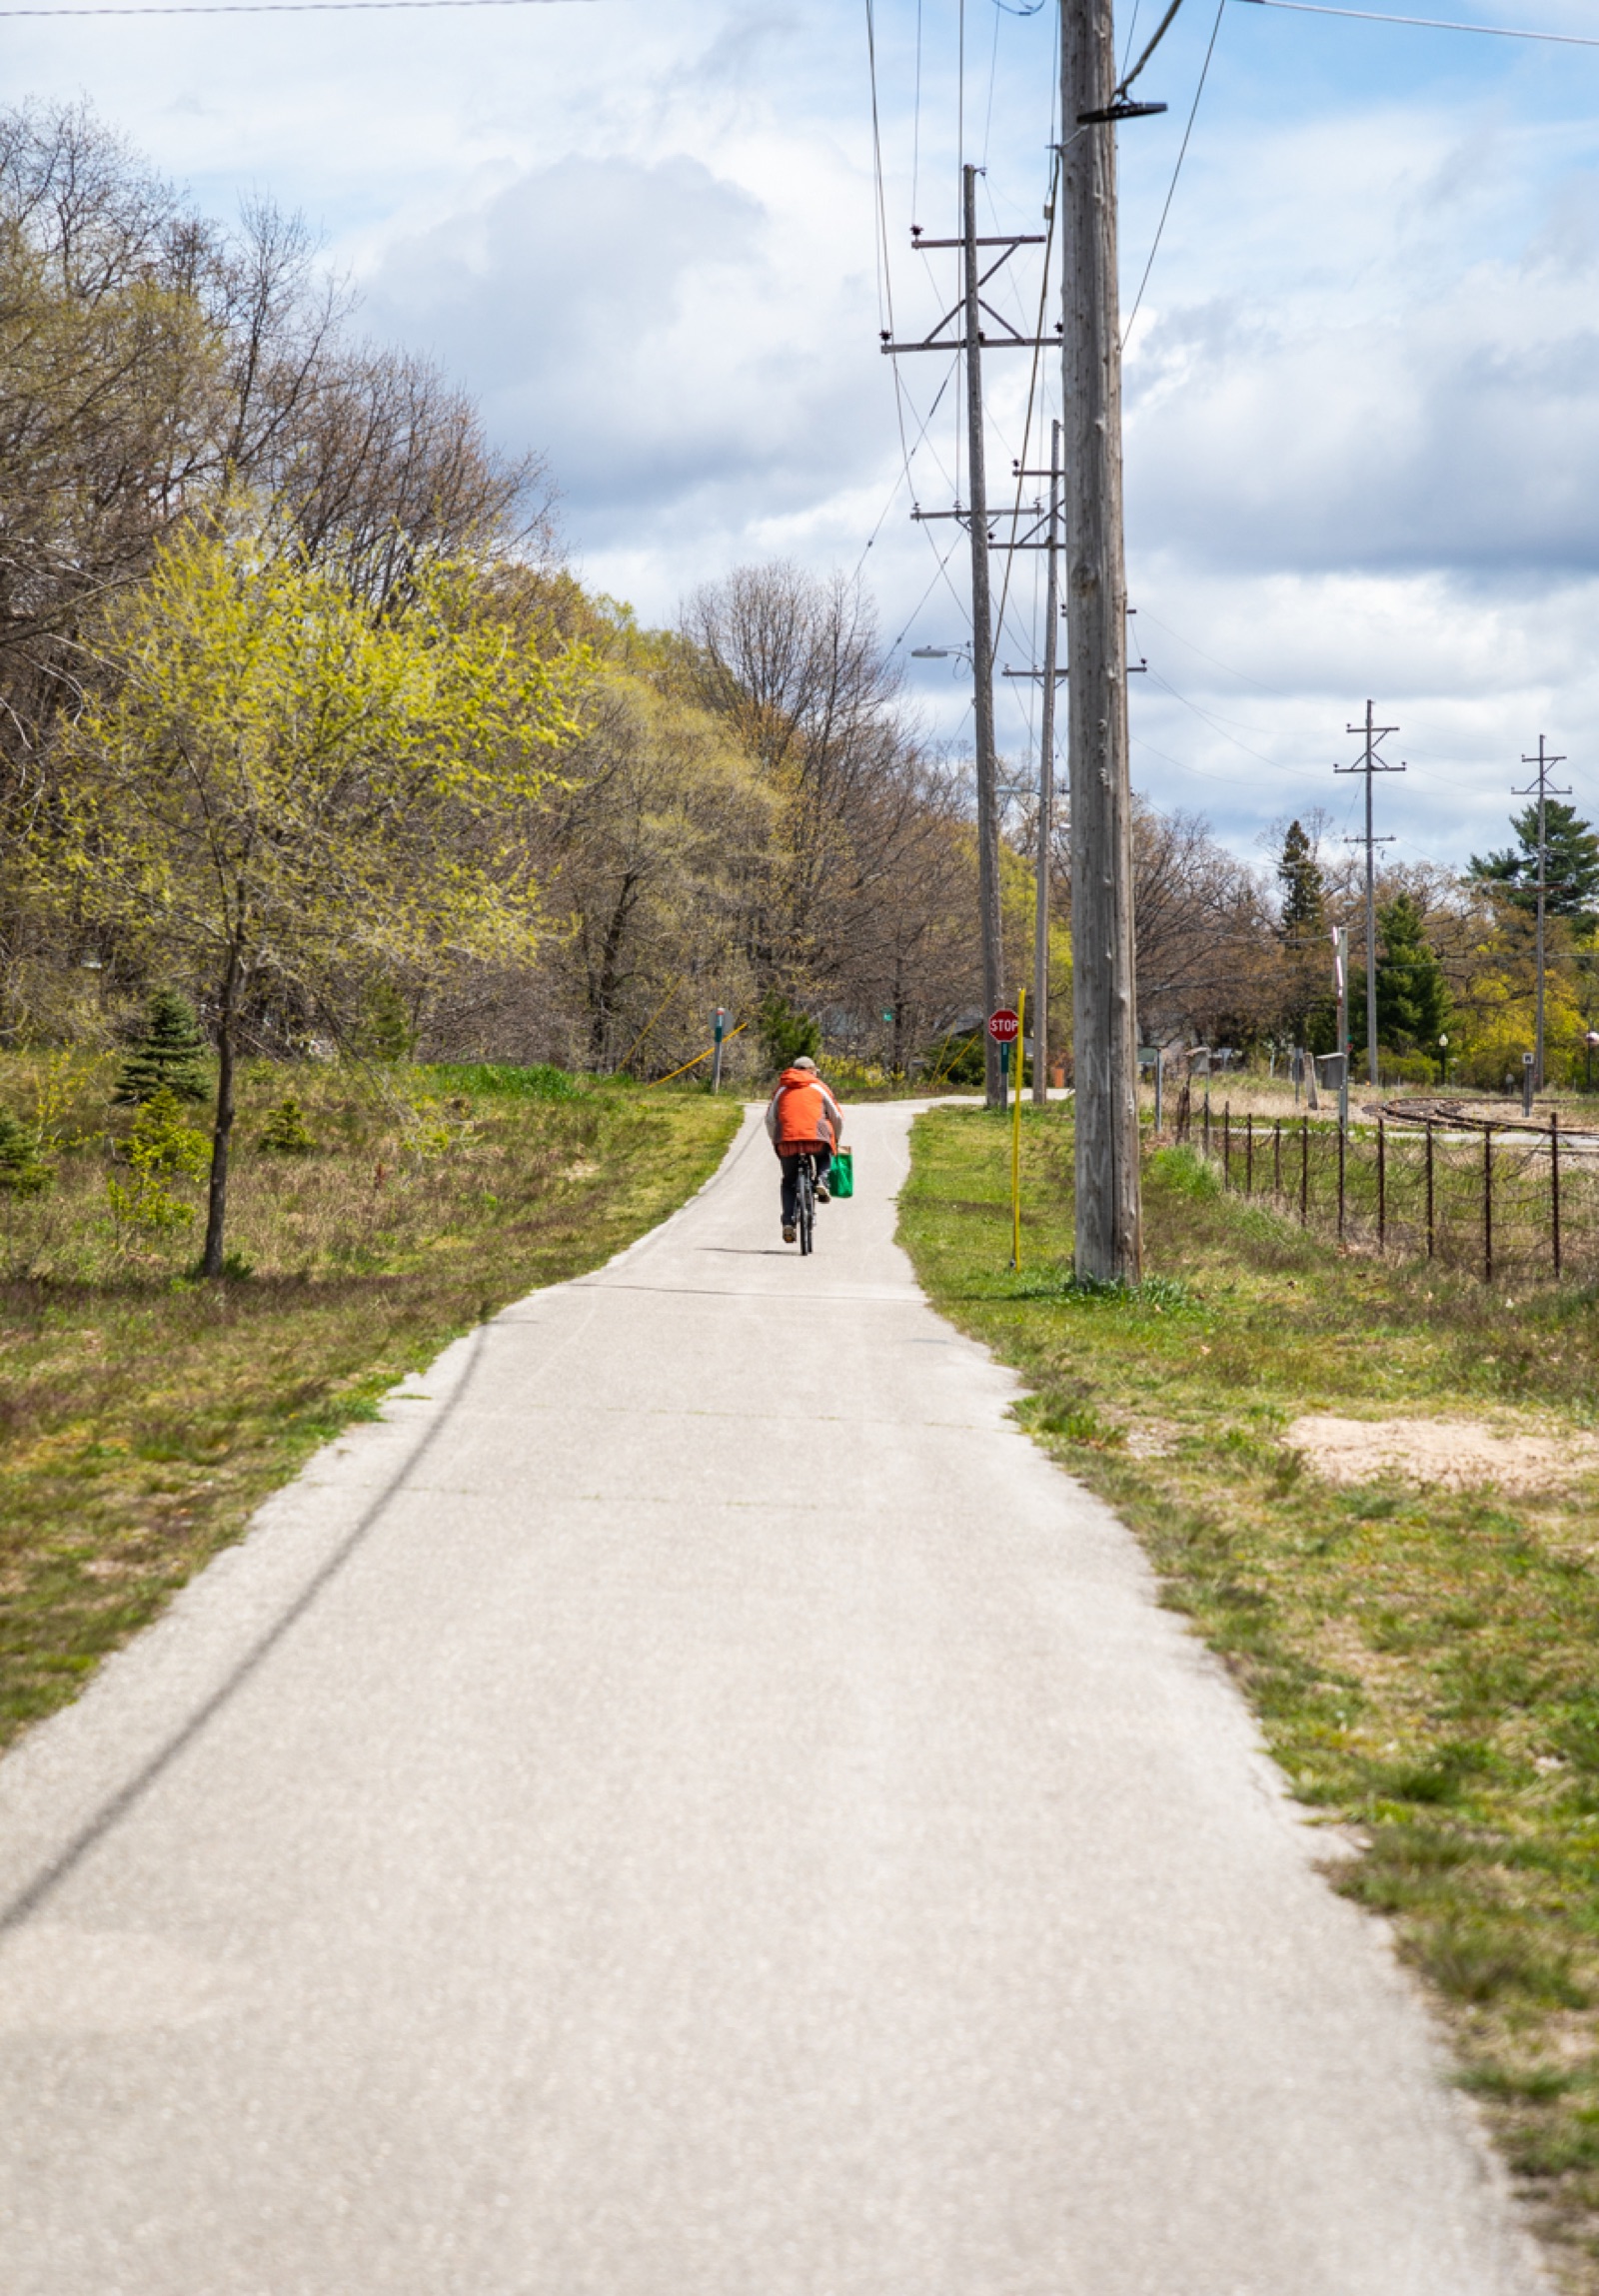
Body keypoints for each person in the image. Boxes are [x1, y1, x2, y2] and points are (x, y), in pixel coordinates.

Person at [765, 1053, 844, 1244]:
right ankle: (822, 1182)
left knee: (789, 1181)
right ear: (811, 1071)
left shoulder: (781, 1089)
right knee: (825, 1156)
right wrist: (835, 1142)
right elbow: (837, 1117)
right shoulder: (819, 1087)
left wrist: (776, 1141)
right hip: (816, 1139)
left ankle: (788, 1223)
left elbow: (769, 1119)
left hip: (787, 1141)